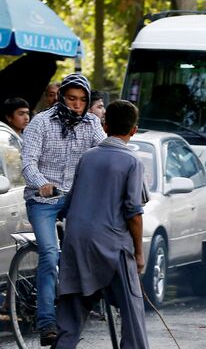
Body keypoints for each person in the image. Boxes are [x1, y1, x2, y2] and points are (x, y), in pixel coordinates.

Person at [53, 100, 149, 348]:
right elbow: (134, 213)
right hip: (111, 244)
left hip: (76, 241)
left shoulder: (88, 157)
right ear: (134, 130)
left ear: (105, 126)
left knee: (71, 313)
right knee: (132, 308)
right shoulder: (132, 161)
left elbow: (70, 201)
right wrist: (138, 253)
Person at [21, 73, 106, 345]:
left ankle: (81, 307)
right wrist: (42, 184)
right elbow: (28, 163)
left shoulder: (92, 123)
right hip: (43, 200)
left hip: (76, 199)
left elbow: (106, 152)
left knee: (88, 246)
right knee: (49, 253)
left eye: (83, 100)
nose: (77, 105)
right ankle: (46, 322)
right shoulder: (40, 122)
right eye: (71, 98)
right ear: (60, 97)